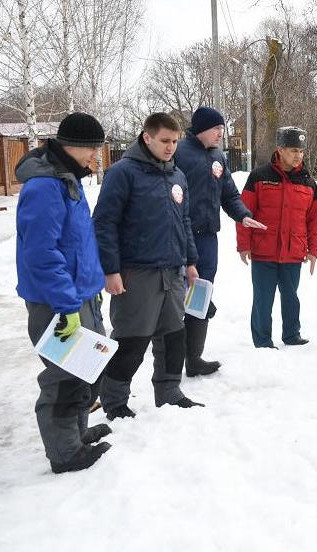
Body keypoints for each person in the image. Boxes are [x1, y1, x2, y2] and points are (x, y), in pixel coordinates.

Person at [15, 112, 112, 473]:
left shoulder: (66, 179)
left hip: (80, 294)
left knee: (88, 367)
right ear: (77, 146)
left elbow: (77, 243)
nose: (96, 159)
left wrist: (93, 286)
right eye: (94, 150)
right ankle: (65, 453)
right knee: (64, 376)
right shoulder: (44, 186)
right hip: (56, 301)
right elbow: (41, 254)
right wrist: (67, 303)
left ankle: (77, 434)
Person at [92, 112, 204, 420]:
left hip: (173, 271)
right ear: (147, 137)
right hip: (136, 272)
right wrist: (110, 269)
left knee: (173, 336)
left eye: (175, 141)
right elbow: (104, 223)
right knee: (132, 340)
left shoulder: (177, 175)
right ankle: (114, 401)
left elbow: (184, 221)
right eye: (165, 141)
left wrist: (191, 261)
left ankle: (169, 392)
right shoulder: (122, 173)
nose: (171, 147)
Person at [150, 106, 265, 378]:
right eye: (217, 129)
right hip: (179, 237)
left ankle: (194, 358)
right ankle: (171, 366)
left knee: (201, 294)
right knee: (178, 297)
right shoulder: (180, 152)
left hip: (208, 238)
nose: (220, 134)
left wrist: (243, 216)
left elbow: (229, 194)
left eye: (222, 130)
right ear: (202, 129)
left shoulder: (218, 157)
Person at [237, 126, 317, 349]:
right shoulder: (258, 177)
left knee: (291, 297)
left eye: (302, 151)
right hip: (264, 251)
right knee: (263, 300)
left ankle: (292, 334)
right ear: (280, 150)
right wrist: (243, 245)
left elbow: (314, 221)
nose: (299, 156)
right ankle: (262, 341)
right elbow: (244, 214)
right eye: (294, 150)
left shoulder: (308, 183)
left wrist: (314, 250)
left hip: (294, 251)